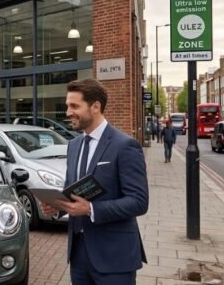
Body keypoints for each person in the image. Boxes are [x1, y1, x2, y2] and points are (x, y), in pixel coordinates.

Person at [42, 78, 149, 284]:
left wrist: (91, 209)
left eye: (74, 106)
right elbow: (73, 192)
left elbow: (139, 201)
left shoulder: (125, 145)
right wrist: (57, 207)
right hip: (79, 254)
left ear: (95, 107)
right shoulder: (73, 145)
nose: (68, 112)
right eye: (67, 106)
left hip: (114, 256)